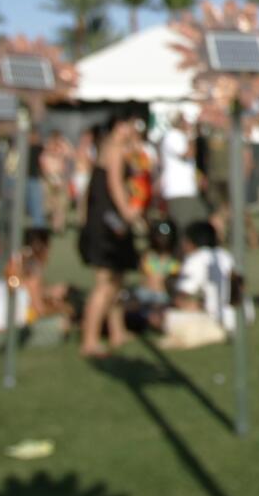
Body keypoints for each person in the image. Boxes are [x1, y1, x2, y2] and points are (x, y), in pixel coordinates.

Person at [79, 111, 143, 357]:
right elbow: (115, 184)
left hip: (103, 220)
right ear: (120, 125)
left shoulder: (109, 146)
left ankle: (117, 331)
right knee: (105, 283)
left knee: (117, 280)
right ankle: (90, 339)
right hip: (108, 223)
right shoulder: (115, 149)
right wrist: (128, 213)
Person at [164, 220, 240, 350]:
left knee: (161, 315)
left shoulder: (195, 259)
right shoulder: (226, 255)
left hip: (216, 321)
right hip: (240, 318)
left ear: (191, 242)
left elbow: (180, 299)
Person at [156, 114, 205, 230]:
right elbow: (188, 153)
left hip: (188, 191)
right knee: (184, 227)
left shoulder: (181, 137)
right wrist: (192, 135)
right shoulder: (172, 136)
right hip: (178, 191)